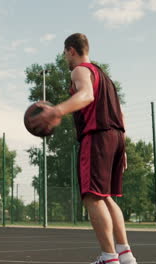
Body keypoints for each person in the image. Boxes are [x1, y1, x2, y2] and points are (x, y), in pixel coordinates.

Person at [30, 33, 137, 264]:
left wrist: (56, 111)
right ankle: (125, 254)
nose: (65, 58)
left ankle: (109, 258)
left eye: (64, 53)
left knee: (92, 197)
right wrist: (123, 146)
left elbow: (86, 95)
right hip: (116, 136)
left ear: (71, 50)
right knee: (107, 197)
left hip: (97, 137)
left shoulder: (80, 70)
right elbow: (121, 113)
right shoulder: (105, 77)